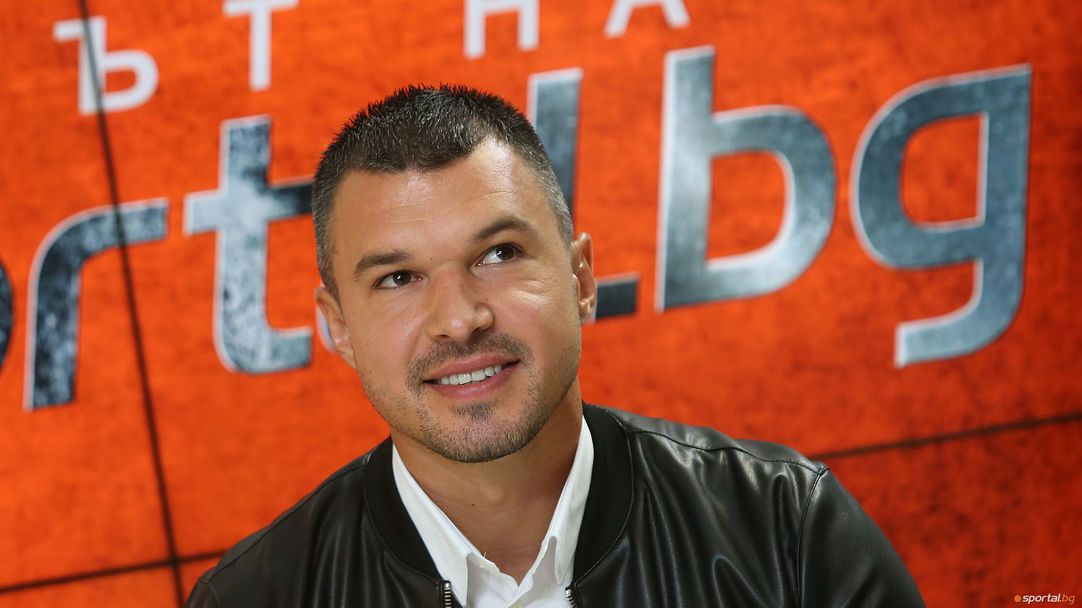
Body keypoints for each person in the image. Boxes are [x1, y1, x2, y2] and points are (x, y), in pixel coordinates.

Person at [186, 85, 925, 607]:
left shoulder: (785, 529)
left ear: (581, 279)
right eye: (399, 278)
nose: (459, 319)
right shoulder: (254, 599)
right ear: (338, 326)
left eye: (499, 254)